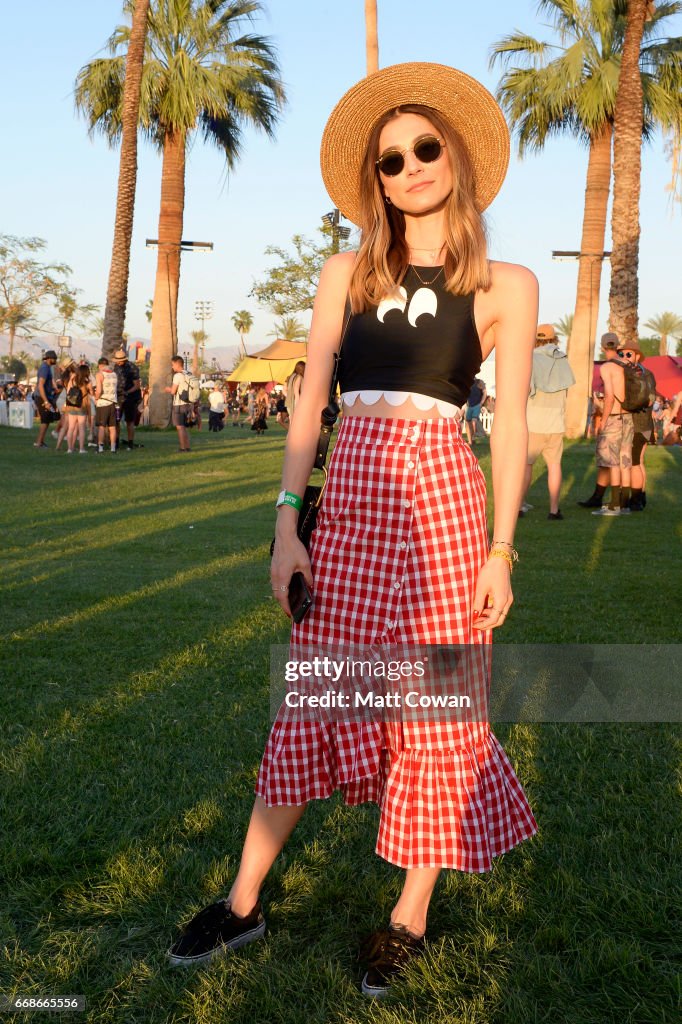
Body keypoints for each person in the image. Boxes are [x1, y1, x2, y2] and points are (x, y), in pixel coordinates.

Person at [167, 62, 538, 996]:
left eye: (424, 147)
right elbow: (307, 409)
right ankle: (242, 904)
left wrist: (502, 550)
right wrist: (287, 523)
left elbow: (513, 425)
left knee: (440, 714)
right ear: (373, 182)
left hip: (446, 507)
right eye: (390, 160)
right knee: (314, 698)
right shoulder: (346, 272)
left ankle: (407, 916)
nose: (410, 166)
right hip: (353, 506)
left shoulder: (508, 285)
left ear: (454, 153)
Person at [522, 324, 575, 520]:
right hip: (556, 421)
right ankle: (554, 510)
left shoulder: (531, 357)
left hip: (534, 419)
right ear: (554, 339)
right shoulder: (563, 359)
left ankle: (519, 505)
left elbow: (525, 389)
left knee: (527, 465)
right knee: (554, 465)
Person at [578, 333, 633, 515]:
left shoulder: (607, 367)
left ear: (602, 347)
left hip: (615, 416)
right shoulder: (627, 364)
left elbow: (609, 396)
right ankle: (625, 503)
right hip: (629, 417)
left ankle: (614, 504)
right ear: (618, 346)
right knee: (625, 459)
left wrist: (604, 419)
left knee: (612, 461)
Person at [616, 341, 656, 510]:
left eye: (629, 354)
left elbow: (646, 400)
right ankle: (640, 497)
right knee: (638, 461)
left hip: (637, 424)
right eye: (621, 354)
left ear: (637, 356)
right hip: (645, 423)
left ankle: (636, 499)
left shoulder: (635, 374)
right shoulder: (648, 374)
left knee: (633, 462)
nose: (625, 357)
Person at [113, 347, 143, 450]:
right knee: (116, 420)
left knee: (129, 421)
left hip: (130, 398)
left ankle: (130, 443)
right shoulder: (116, 367)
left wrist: (127, 392)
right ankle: (115, 442)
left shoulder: (132, 368)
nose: (118, 363)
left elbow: (137, 385)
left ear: (124, 359)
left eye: (119, 361)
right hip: (118, 397)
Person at [165, 355, 193, 451]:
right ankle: (187, 446)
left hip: (179, 405)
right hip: (188, 404)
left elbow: (173, 391)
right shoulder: (188, 374)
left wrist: (168, 389)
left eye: (173, 365)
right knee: (184, 427)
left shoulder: (177, 376)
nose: (172, 367)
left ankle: (182, 448)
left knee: (180, 427)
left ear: (177, 364)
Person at [32, 349, 58, 448]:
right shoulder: (44, 368)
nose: (55, 360)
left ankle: (41, 442)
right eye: (54, 358)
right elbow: (41, 385)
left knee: (47, 420)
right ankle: (38, 443)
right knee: (44, 420)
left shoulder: (47, 367)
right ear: (49, 359)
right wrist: (46, 401)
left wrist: (53, 388)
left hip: (46, 396)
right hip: (42, 397)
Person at [64, 364, 91, 454]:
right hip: (81, 407)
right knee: (81, 428)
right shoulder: (86, 382)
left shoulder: (72, 380)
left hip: (72, 405)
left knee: (71, 428)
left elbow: (68, 392)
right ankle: (81, 449)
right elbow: (91, 393)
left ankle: (69, 449)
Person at [94, 357, 119, 453]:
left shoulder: (100, 374)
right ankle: (113, 448)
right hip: (113, 403)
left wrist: (96, 398)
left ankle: (100, 448)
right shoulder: (114, 374)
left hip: (103, 403)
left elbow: (99, 390)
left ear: (100, 365)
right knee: (112, 427)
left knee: (101, 426)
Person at [464, 376, 486, 444]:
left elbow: (485, 392)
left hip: (477, 405)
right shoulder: (466, 382)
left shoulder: (479, 381)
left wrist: (482, 402)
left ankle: (474, 436)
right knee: (468, 423)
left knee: (474, 422)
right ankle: (470, 441)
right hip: (469, 406)